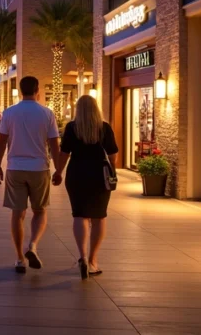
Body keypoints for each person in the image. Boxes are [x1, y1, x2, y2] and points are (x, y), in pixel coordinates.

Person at [0, 77, 60, 274]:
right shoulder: (47, 113)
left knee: (18, 213)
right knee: (39, 211)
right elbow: (54, 144)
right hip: (39, 168)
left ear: (20, 90)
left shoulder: (9, 113)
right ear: (37, 89)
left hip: (15, 167)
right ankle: (32, 245)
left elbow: (2, 141)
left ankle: (19, 258)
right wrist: (59, 169)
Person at [56, 94, 119, 280]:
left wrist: (58, 172)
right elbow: (113, 154)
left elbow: (64, 153)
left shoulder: (71, 128)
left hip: (77, 174)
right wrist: (112, 170)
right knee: (99, 216)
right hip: (99, 174)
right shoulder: (104, 128)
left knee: (80, 214)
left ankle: (82, 256)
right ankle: (92, 260)